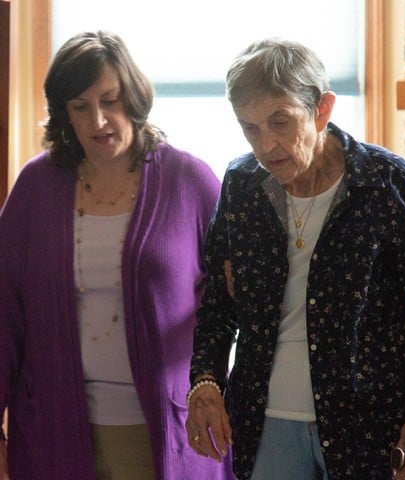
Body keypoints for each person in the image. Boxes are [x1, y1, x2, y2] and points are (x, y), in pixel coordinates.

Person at [185, 38, 405, 480]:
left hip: (371, 431)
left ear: (322, 108)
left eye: (279, 121)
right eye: (250, 128)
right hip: (265, 429)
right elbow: (217, 307)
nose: (266, 146)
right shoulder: (241, 184)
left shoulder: (384, 182)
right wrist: (206, 381)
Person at [0, 30, 235, 480]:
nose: (98, 121)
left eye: (110, 100)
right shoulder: (35, 187)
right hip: (53, 430)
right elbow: (3, 313)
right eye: (80, 107)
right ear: (64, 114)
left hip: (172, 431)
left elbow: (232, 303)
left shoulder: (191, 181)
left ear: (134, 94)